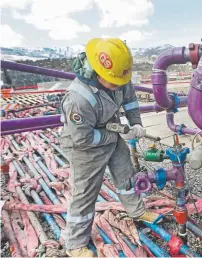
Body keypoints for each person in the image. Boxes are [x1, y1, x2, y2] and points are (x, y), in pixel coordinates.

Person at [60, 38, 160, 257]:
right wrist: (115, 133)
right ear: (97, 72)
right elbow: (82, 139)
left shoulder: (118, 75)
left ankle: (137, 211)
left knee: (126, 177)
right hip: (84, 148)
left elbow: (131, 100)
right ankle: (75, 244)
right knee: (85, 194)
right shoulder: (78, 99)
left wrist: (135, 124)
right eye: (113, 81)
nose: (118, 85)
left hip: (111, 136)